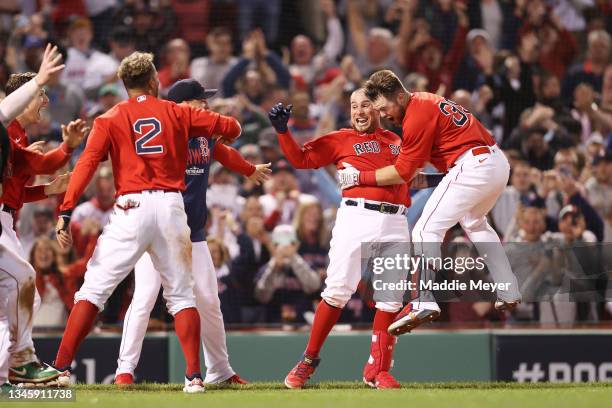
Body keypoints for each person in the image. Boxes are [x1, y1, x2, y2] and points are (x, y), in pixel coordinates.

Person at [50, 52, 241, 393]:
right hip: (170, 206)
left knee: (94, 290)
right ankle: (194, 376)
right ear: (154, 81)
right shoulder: (177, 111)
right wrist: (203, 116)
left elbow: (86, 166)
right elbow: (233, 129)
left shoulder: (109, 118)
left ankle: (61, 368)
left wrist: (65, 211)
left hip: (131, 206)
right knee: (182, 297)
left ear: (125, 85)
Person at [268, 89, 441, 389]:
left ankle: (379, 369)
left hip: (396, 219)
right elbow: (300, 159)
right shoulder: (341, 139)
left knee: (389, 297)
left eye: (365, 105)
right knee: (336, 292)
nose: (359, 111)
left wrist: (453, 176)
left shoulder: (397, 141)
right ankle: (308, 361)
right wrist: (283, 132)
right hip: (355, 217)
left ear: (377, 109)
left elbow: (413, 179)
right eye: (354, 106)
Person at [338, 70, 522, 335]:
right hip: (493, 163)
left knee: (425, 230)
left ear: (400, 96)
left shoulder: (415, 114)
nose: (385, 114)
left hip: (472, 165)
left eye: (384, 107)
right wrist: (420, 178)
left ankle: (423, 300)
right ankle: (508, 287)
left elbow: (402, 173)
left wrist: (360, 177)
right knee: (475, 222)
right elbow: (430, 176)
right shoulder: (425, 102)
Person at [114, 78, 270, 385]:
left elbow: (223, 153)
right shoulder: (165, 130)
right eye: (201, 100)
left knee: (209, 299)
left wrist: (250, 170)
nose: (207, 104)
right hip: (158, 231)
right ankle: (124, 370)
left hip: (193, 231)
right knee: (145, 297)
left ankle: (220, 370)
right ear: (184, 105)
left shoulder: (204, 131)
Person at [0, 44, 68, 389]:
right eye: (40, 95)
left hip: (6, 220)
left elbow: (21, 182)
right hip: (2, 222)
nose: (44, 102)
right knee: (21, 282)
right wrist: (67, 148)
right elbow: (40, 164)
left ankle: (8, 374)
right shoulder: (8, 131)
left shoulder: (18, 136)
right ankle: (21, 365)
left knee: (19, 294)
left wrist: (47, 191)